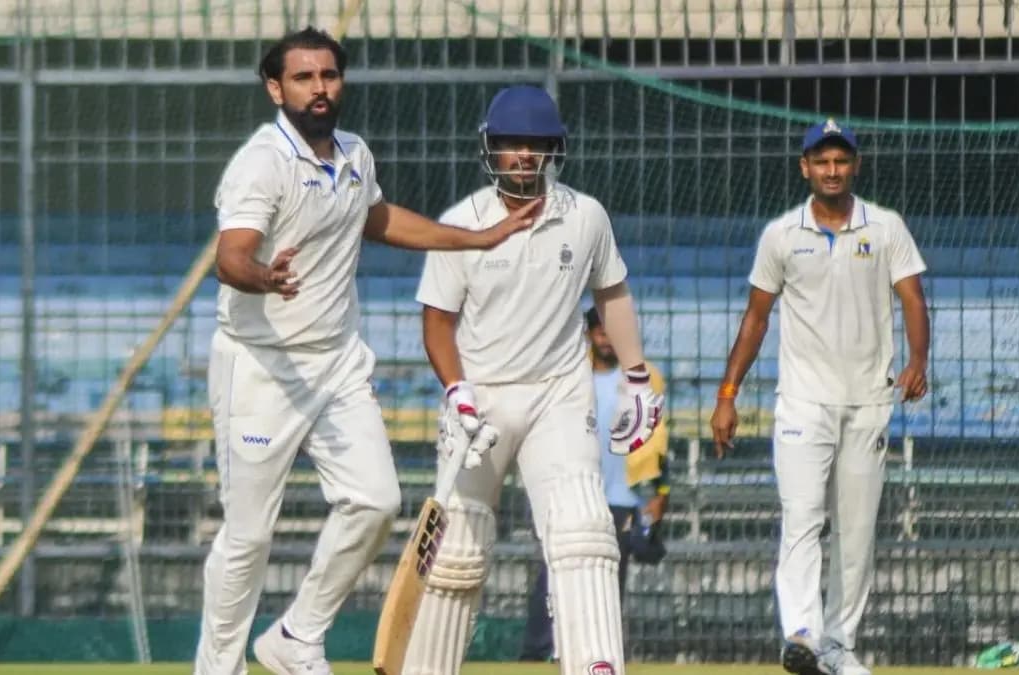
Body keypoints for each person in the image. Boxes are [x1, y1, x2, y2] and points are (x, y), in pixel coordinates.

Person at [194, 27, 535, 675]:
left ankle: (297, 633)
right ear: (276, 87)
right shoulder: (261, 162)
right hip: (260, 367)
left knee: (377, 502)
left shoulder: (354, 153)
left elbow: (377, 220)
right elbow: (231, 254)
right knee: (249, 535)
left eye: (329, 75)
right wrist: (265, 275)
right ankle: (217, 668)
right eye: (303, 77)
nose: (320, 88)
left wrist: (478, 238)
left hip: (337, 364)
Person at [402, 84, 665, 675]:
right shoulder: (461, 223)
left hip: (558, 394)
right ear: (491, 150)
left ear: (553, 150)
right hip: (481, 400)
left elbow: (612, 294)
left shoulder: (585, 215)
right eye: (510, 145)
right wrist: (457, 391)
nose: (523, 155)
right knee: (458, 551)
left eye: (535, 145)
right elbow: (437, 324)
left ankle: (595, 664)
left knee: (583, 531)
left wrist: (638, 377)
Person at [709, 118, 930, 675]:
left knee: (855, 530)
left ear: (854, 165)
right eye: (821, 161)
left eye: (841, 161)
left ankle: (840, 644)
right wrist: (728, 395)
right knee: (802, 517)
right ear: (805, 167)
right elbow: (756, 319)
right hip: (804, 403)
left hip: (868, 400)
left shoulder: (885, 227)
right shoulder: (782, 235)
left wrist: (918, 361)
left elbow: (912, 298)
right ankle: (802, 633)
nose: (832, 171)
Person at [520, 306, 671, 663]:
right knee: (555, 573)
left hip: (622, 497)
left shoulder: (643, 379)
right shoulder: (572, 377)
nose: (606, 339)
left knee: (608, 581)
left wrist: (661, 493)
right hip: (573, 489)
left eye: (611, 332)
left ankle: (596, 654)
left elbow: (658, 439)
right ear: (589, 334)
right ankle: (540, 652)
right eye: (600, 332)